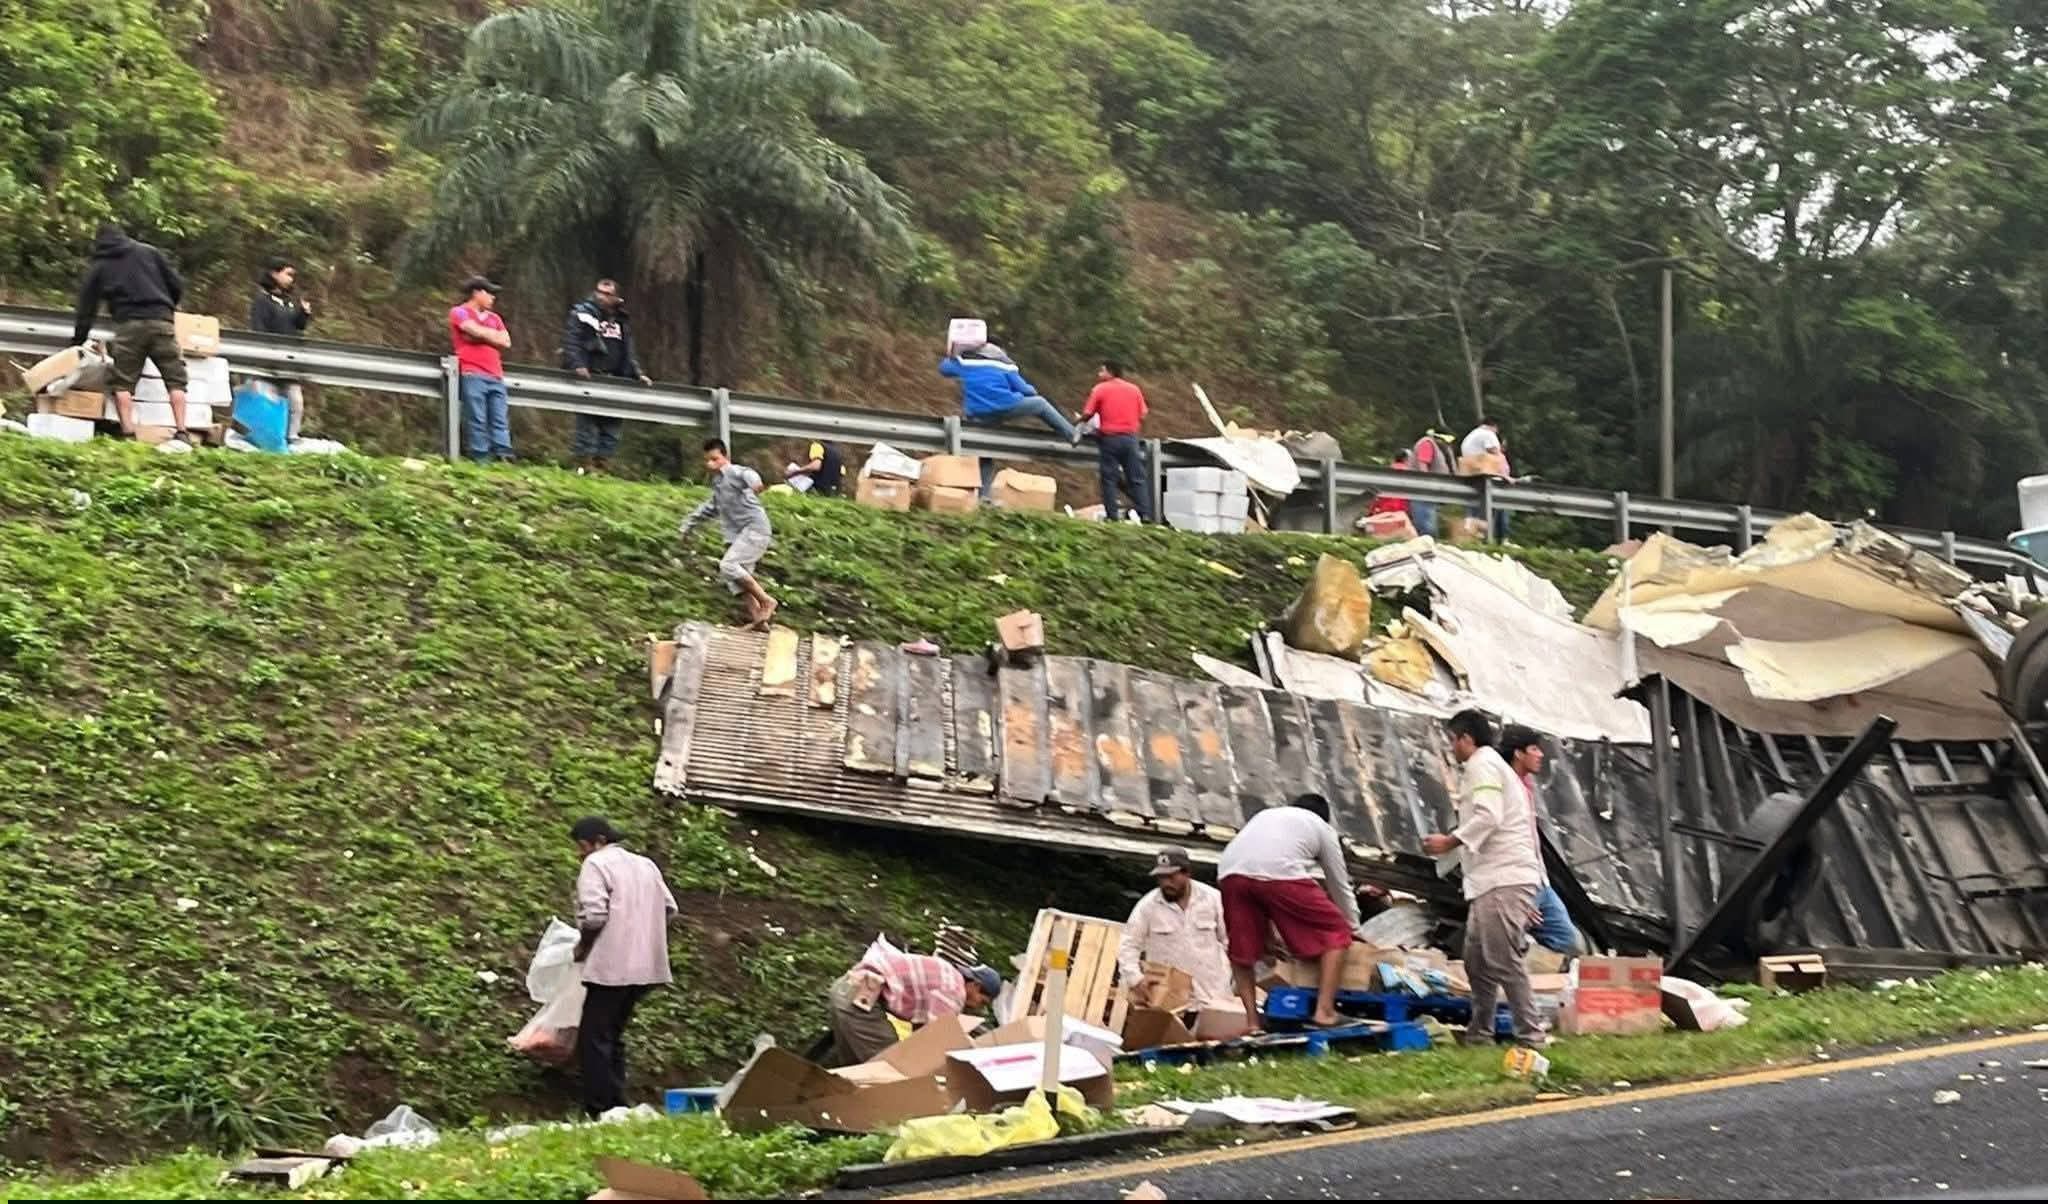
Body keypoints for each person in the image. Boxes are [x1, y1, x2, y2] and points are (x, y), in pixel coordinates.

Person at [1423, 710, 1546, 1048]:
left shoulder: (1483, 765)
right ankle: (1480, 1034)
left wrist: (1449, 842)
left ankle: (1531, 1036)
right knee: (1477, 962)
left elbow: (1488, 815)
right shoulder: (1488, 766)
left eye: (1453, 740)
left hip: (1503, 878)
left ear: (1465, 738)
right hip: (1489, 881)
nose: (1452, 747)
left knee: (1503, 959)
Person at [1218, 794, 1361, 1031]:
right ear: (1325, 818)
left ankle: (1253, 1022)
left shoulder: (1267, 816)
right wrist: (1353, 927)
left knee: (1241, 951)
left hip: (1229, 872)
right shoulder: (1322, 828)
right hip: (1278, 871)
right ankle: (1325, 1012)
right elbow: (1339, 885)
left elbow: (1256, 880)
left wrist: (1267, 934)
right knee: (1337, 931)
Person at [569, 816, 677, 1117]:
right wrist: (643, 932)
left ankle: (600, 1107)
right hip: (647, 967)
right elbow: (670, 908)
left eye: (582, 846)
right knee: (613, 1033)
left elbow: (594, 916)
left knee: (594, 1036)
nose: (581, 853)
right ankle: (616, 1103)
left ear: (599, 841)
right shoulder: (646, 865)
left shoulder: (596, 864)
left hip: (612, 966)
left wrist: (584, 945)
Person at [70, 223, 190, 441]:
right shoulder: (149, 252)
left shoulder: (100, 265)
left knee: (123, 381)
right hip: (161, 321)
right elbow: (177, 284)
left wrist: (78, 341)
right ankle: (182, 432)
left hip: (128, 326)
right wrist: (167, 308)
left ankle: (128, 433)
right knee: (175, 379)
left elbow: (87, 306)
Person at [824, 937, 1000, 1067]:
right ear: (976, 985)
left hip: (845, 988)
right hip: (861, 999)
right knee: (890, 1065)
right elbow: (934, 1036)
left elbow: (922, 1031)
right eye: (982, 1001)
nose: (977, 1006)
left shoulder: (946, 972)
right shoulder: (954, 992)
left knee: (852, 1067)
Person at [939, 340, 1077, 498]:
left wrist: (953, 352)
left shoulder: (965, 363)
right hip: (1006, 407)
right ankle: (1071, 434)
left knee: (984, 450)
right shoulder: (1005, 365)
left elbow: (943, 369)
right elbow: (1027, 390)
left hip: (978, 414)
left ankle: (984, 497)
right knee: (1040, 404)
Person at [1499, 724, 1587, 958]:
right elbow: (1500, 844)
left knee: (1566, 940)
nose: (1541, 754)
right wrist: (1519, 894)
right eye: (1534, 749)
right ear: (1518, 753)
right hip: (1515, 881)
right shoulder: (1503, 788)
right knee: (1504, 945)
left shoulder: (1525, 785)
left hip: (1536, 878)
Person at [1116, 847, 1232, 1012]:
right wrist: (1135, 979)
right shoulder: (1148, 906)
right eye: (1161, 878)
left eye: (1171, 877)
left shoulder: (1212, 899)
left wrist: (1237, 980)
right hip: (1167, 999)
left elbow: (1230, 940)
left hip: (1211, 995)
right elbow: (1128, 944)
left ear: (1187, 873)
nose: (1165, 883)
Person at [678, 438, 778, 628]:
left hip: (755, 528)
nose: (710, 464)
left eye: (715, 459)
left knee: (728, 565)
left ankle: (766, 601)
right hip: (738, 535)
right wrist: (687, 526)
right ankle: (759, 619)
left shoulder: (733, 472)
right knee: (735, 580)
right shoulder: (717, 484)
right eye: (707, 460)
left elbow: (748, 474)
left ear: (725, 457)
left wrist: (756, 484)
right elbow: (709, 508)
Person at [560, 278, 652, 474]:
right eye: (599, 292)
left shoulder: (621, 320)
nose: (602, 297)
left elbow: (628, 350)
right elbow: (571, 340)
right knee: (586, 425)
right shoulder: (583, 314)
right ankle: (583, 466)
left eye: (608, 294)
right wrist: (577, 364)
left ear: (616, 297)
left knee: (611, 428)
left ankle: (602, 468)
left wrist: (638, 373)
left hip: (615, 379)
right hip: (591, 377)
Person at [248, 257, 314, 444]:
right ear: (274, 273)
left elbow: (297, 326)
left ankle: (291, 436)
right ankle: (266, 436)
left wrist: (303, 313)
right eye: (288, 274)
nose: (291, 279)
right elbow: (258, 328)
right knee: (268, 399)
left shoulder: (288, 302)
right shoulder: (262, 301)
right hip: (269, 359)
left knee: (296, 401)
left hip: (289, 361)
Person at [449, 276, 514, 463]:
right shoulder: (459, 311)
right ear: (477, 293)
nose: (493, 297)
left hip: (495, 373)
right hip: (472, 372)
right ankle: (481, 456)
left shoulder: (495, 318)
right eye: (489, 293)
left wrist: (481, 336)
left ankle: (503, 455)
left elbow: (506, 341)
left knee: (499, 417)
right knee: (477, 417)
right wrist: (490, 337)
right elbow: (470, 329)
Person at [1081, 361, 1152, 523]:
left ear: (1110, 372)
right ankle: (1145, 514)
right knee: (1136, 477)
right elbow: (1143, 414)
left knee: (1109, 479)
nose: (1099, 375)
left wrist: (1078, 423)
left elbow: (1088, 413)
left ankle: (1112, 516)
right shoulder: (1134, 389)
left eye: (1102, 371)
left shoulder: (1100, 389)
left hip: (1109, 440)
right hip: (1130, 439)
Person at [1409, 431, 1454, 537]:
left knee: (1430, 522)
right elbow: (1423, 465)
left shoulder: (1439, 447)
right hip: (1423, 490)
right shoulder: (1427, 443)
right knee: (1425, 525)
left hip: (1432, 492)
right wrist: (1427, 484)